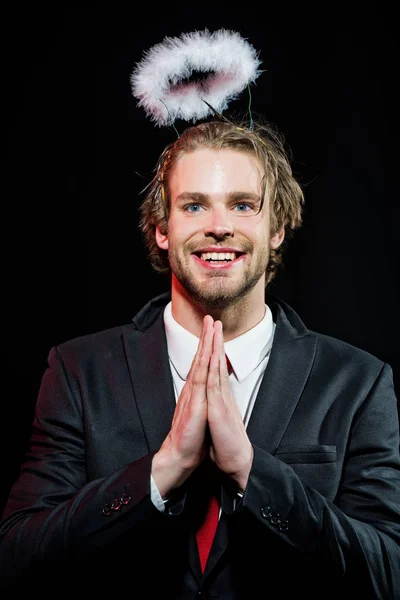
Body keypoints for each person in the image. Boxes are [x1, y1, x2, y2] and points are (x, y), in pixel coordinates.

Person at [0, 117, 399, 600]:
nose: (219, 227)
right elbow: (18, 559)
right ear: (162, 229)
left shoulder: (359, 382)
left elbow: (387, 573)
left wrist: (254, 473)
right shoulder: (78, 372)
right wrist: (161, 471)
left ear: (278, 227)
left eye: (243, 205)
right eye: (194, 205)